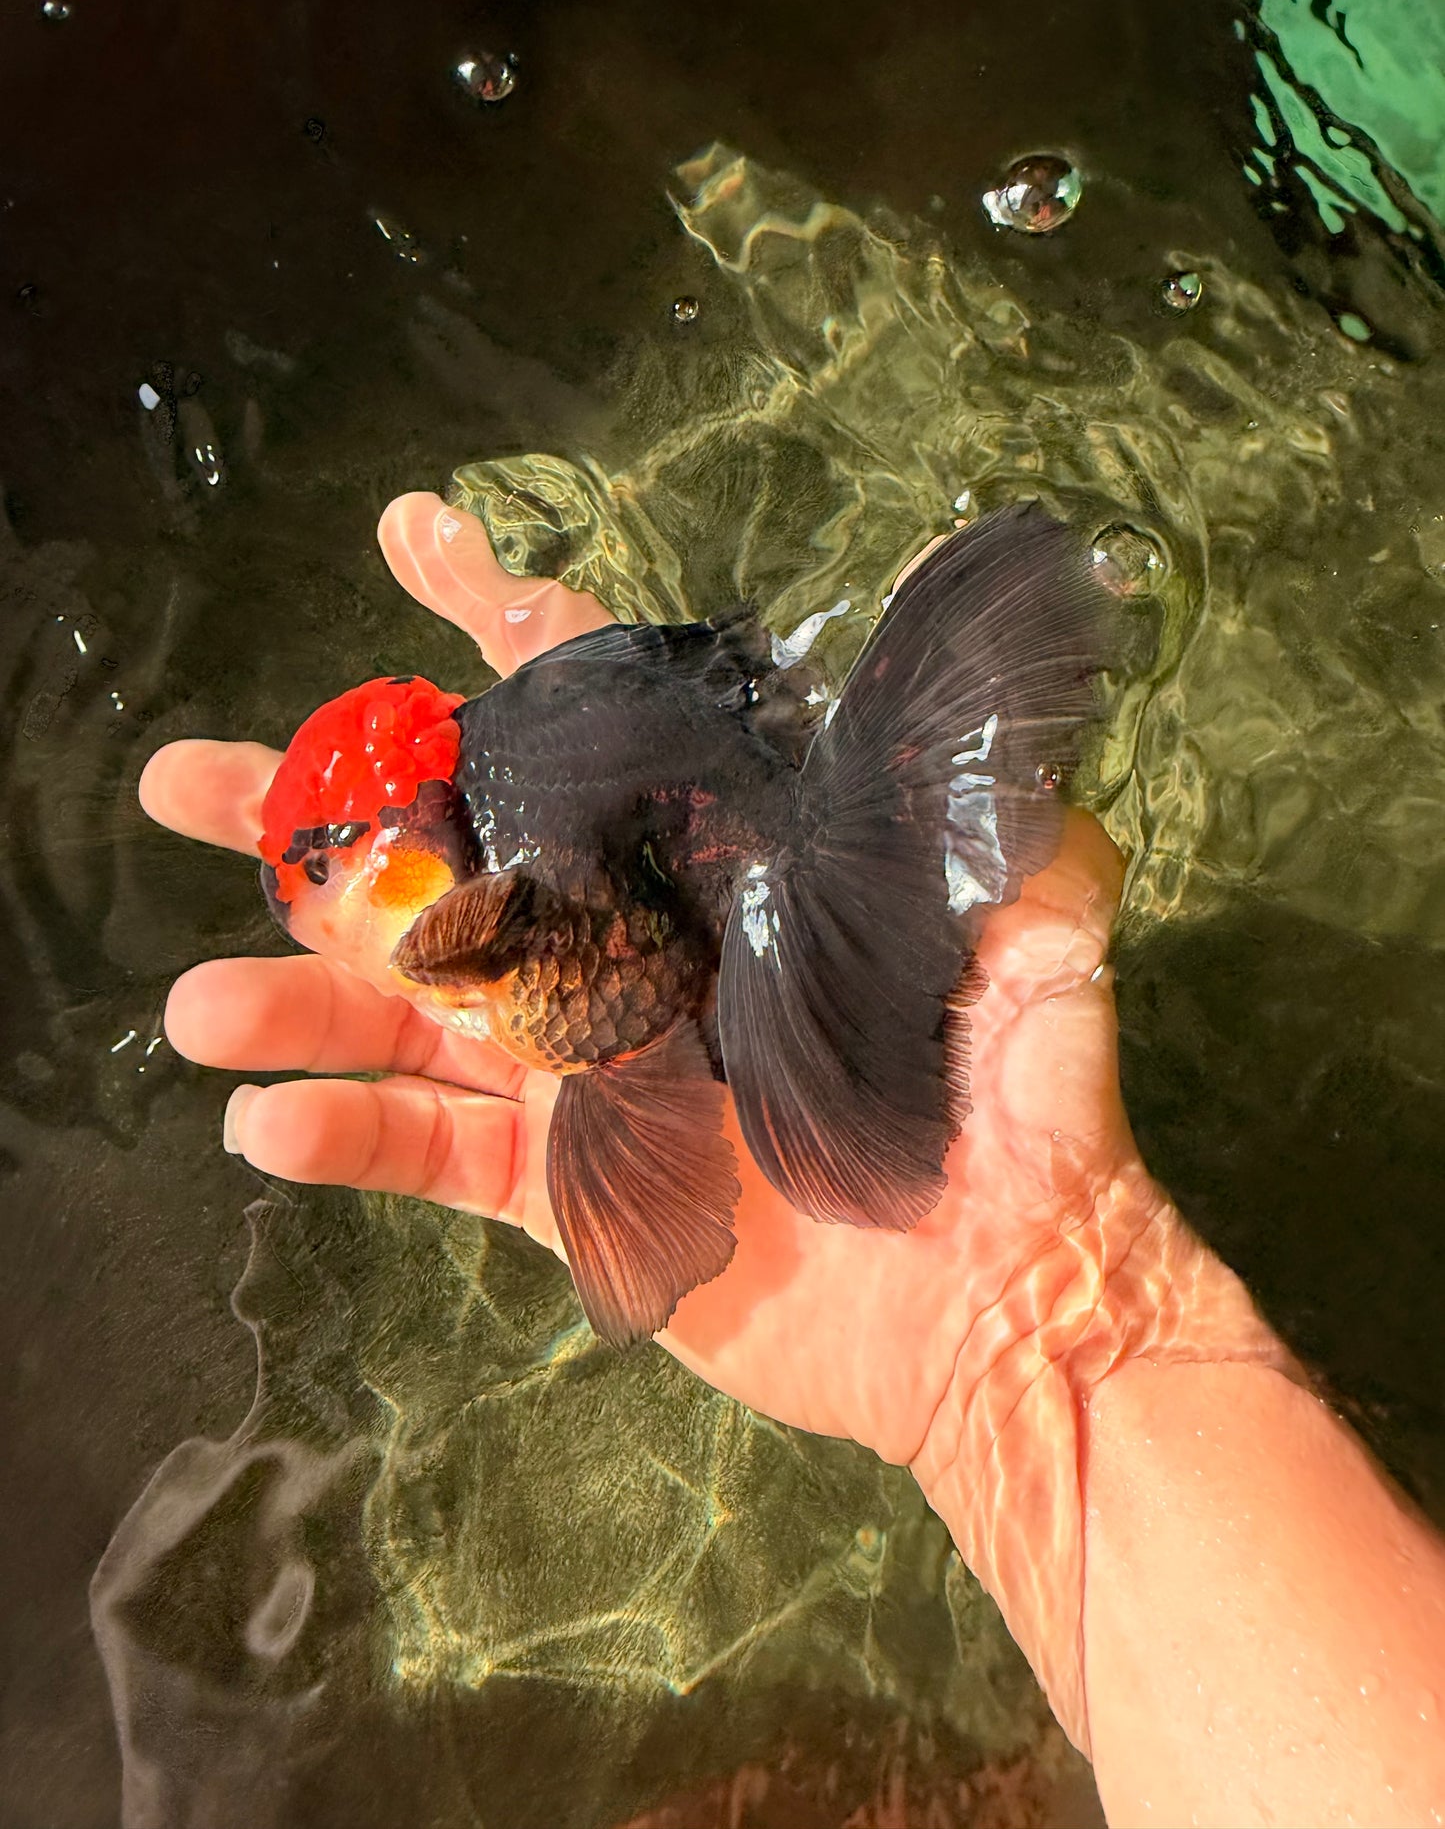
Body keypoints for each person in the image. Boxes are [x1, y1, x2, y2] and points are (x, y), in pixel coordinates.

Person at [140, 493, 1445, 1828]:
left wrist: (1025, 1331)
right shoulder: (499, 823)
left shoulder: (469, 914)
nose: (321, 925)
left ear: (414, 881)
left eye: (331, 892)